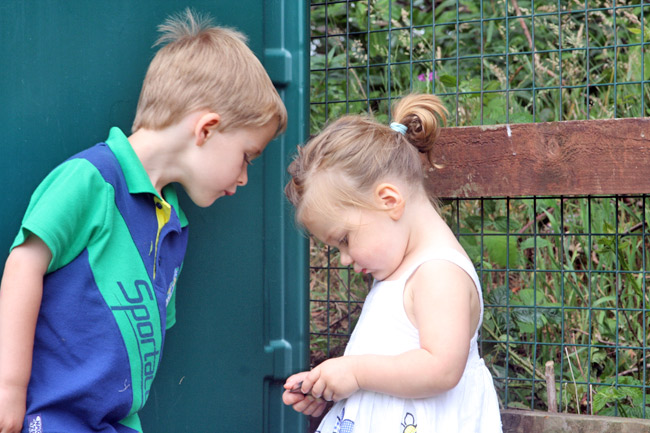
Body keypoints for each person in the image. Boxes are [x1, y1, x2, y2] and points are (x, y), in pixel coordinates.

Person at [0, 9, 287, 433]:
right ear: (206, 129)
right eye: (246, 156)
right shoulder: (92, 179)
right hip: (52, 416)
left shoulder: (173, 225)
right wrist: (9, 388)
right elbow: (24, 264)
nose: (244, 177)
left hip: (116, 422)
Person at [282, 93, 502, 432]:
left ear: (388, 200)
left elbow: (442, 369)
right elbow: (389, 377)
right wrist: (334, 389)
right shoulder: (400, 271)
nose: (345, 258)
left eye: (345, 239)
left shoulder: (439, 274)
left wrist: (354, 372)